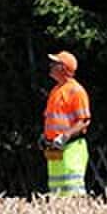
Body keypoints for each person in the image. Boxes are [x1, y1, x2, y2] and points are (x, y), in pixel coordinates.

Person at [41, 50, 92, 196]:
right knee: (57, 192)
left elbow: (84, 120)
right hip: (54, 148)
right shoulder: (56, 90)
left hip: (71, 148)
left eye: (55, 63)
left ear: (63, 68)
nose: (51, 66)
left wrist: (65, 136)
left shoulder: (76, 91)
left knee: (72, 190)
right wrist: (45, 136)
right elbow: (52, 118)